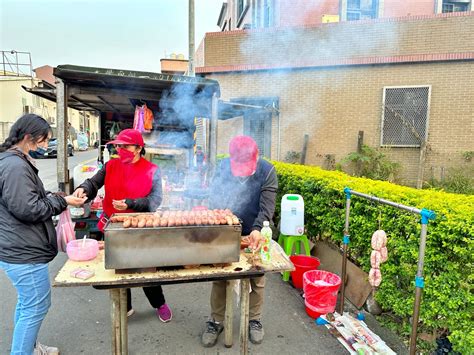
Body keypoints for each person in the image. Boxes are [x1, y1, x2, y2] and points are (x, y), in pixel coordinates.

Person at [0, 114, 87, 355]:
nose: (45, 145)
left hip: (16, 247)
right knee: (35, 307)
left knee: (27, 304)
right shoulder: (15, 165)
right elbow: (28, 209)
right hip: (23, 251)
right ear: (28, 137)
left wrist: (60, 197)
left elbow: (31, 196)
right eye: (43, 140)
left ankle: (31, 347)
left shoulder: (13, 160)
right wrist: (62, 203)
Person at [73, 128, 172, 322]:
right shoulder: (110, 166)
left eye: (125, 146)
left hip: (140, 227)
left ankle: (159, 304)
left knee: (147, 269)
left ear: (137, 148)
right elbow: (94, 183)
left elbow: (156, 199)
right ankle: (125, 306)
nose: (120, 149)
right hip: (113, 227)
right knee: (119, 270)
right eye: (118, 146)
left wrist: (131, 203)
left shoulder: (152, 170)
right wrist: (83, 189)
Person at [201, 135, 278, 347]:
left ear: (255, 157)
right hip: (227, 226)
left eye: (246, 164)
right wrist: (220, 216)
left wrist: (257, 229)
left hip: (255, 229)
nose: (241, 169)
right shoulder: (224, 167)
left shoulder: (267, 171)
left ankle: (254, 319)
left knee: (257, 276)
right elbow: (215, 197)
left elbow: (267, 207)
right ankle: (216, 320)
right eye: (238, 164)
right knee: (221, 275)